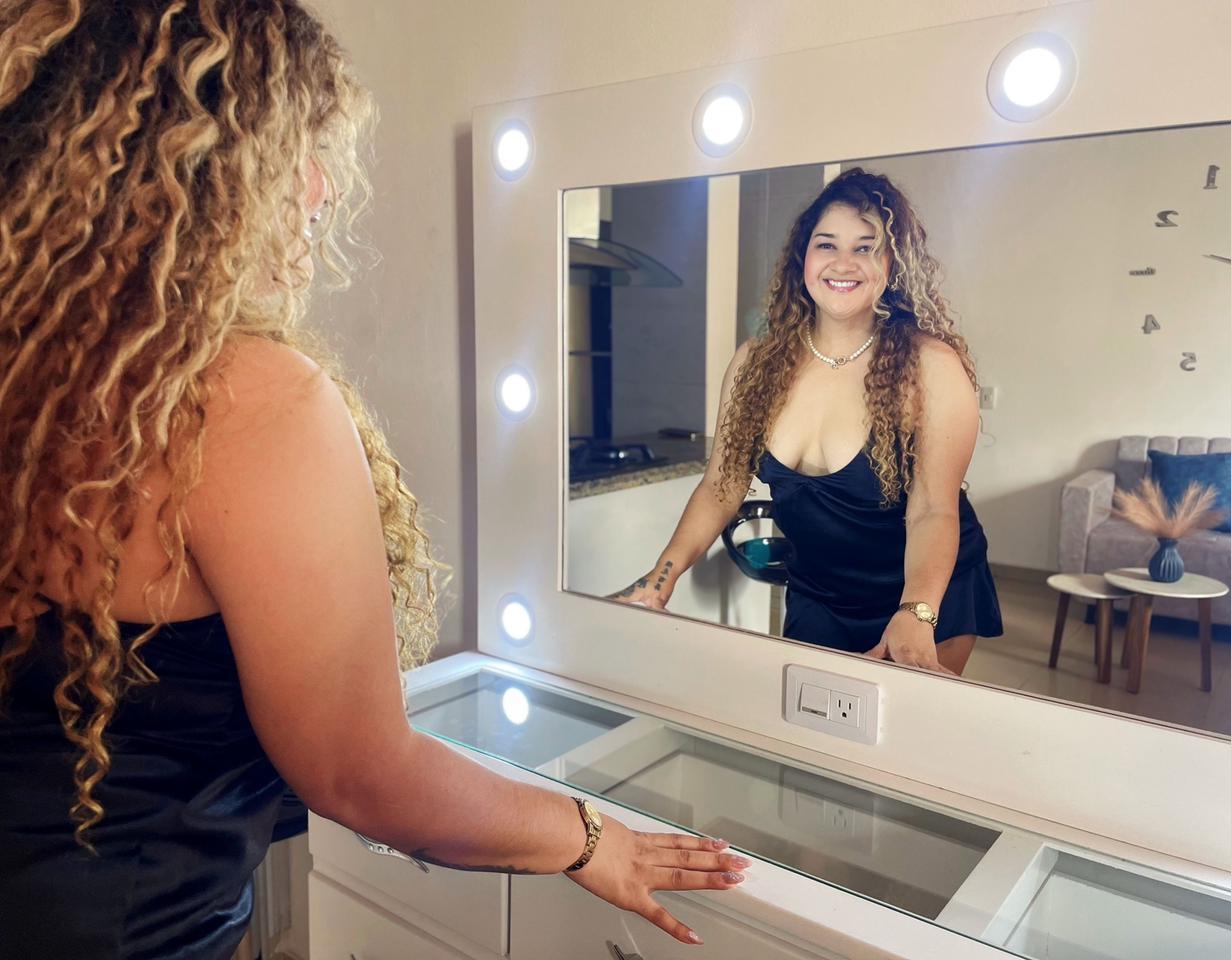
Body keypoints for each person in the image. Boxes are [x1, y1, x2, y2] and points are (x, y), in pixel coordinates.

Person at [0, 3, 747, 956]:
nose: (320, 188)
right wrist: (590, 837)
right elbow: (362, 776)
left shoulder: (34, 378)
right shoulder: (244, 402)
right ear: (197, 164)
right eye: (296, 150)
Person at [611, 168, 1003, 675]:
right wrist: (661, 578)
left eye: (866, 247)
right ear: (804, 258)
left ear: (892, 264)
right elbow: (721, 485)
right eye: (827, 244)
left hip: (923, 597)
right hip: (817, 593)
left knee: (903, 726)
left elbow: (932, 510)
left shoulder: (931, 368)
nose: (844, 262)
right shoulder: (757, 363)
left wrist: (916, 611)